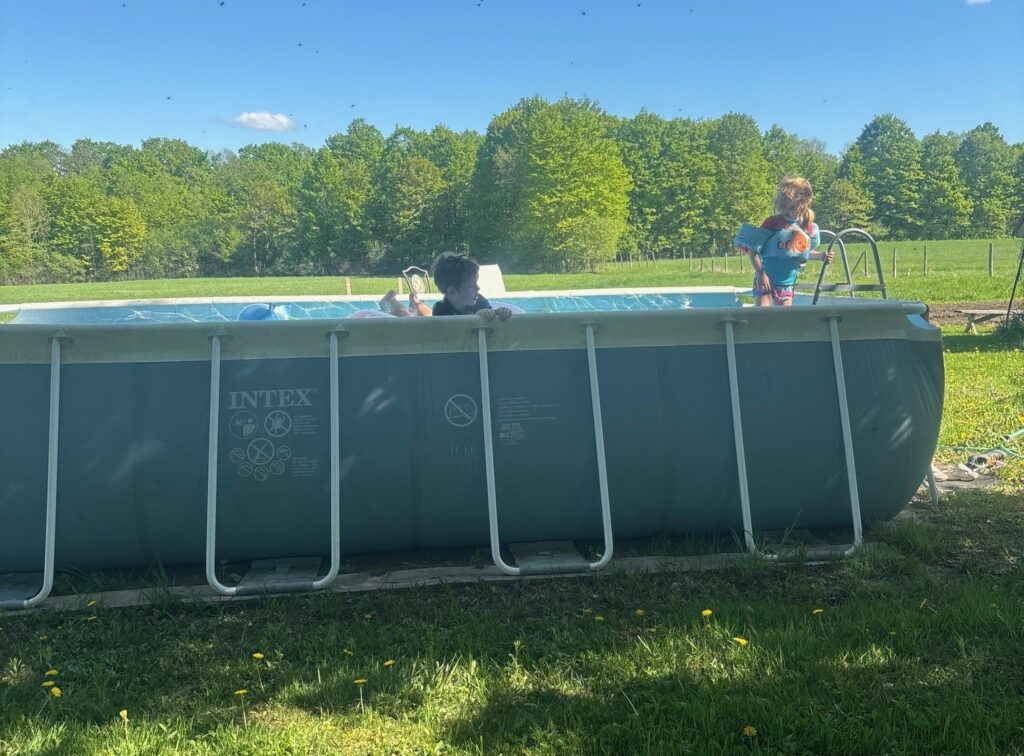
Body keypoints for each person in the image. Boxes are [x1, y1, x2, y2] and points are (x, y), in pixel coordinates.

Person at [735, 176, 834, 307]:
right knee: (761, 317)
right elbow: (753, 251)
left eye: (792, 207)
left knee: (784, 319)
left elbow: (800, 252)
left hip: (786, 285)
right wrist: (761, 274)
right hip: (765, 279)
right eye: (783, 206)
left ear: (803, 205)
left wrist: (821, 256)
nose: (786, 210)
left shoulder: (805, 226)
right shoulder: (772, 222)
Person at [378, 252, 513, 321]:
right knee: (408, 318)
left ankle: (416, 303)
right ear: (452, 292)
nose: (478, 289)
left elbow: (493, 319)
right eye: (472, 285)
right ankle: (390, 301)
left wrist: (500, 313)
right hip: (430, 321)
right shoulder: (441, 309)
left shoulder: (480, 300)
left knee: (423, 313)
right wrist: (475, 319)